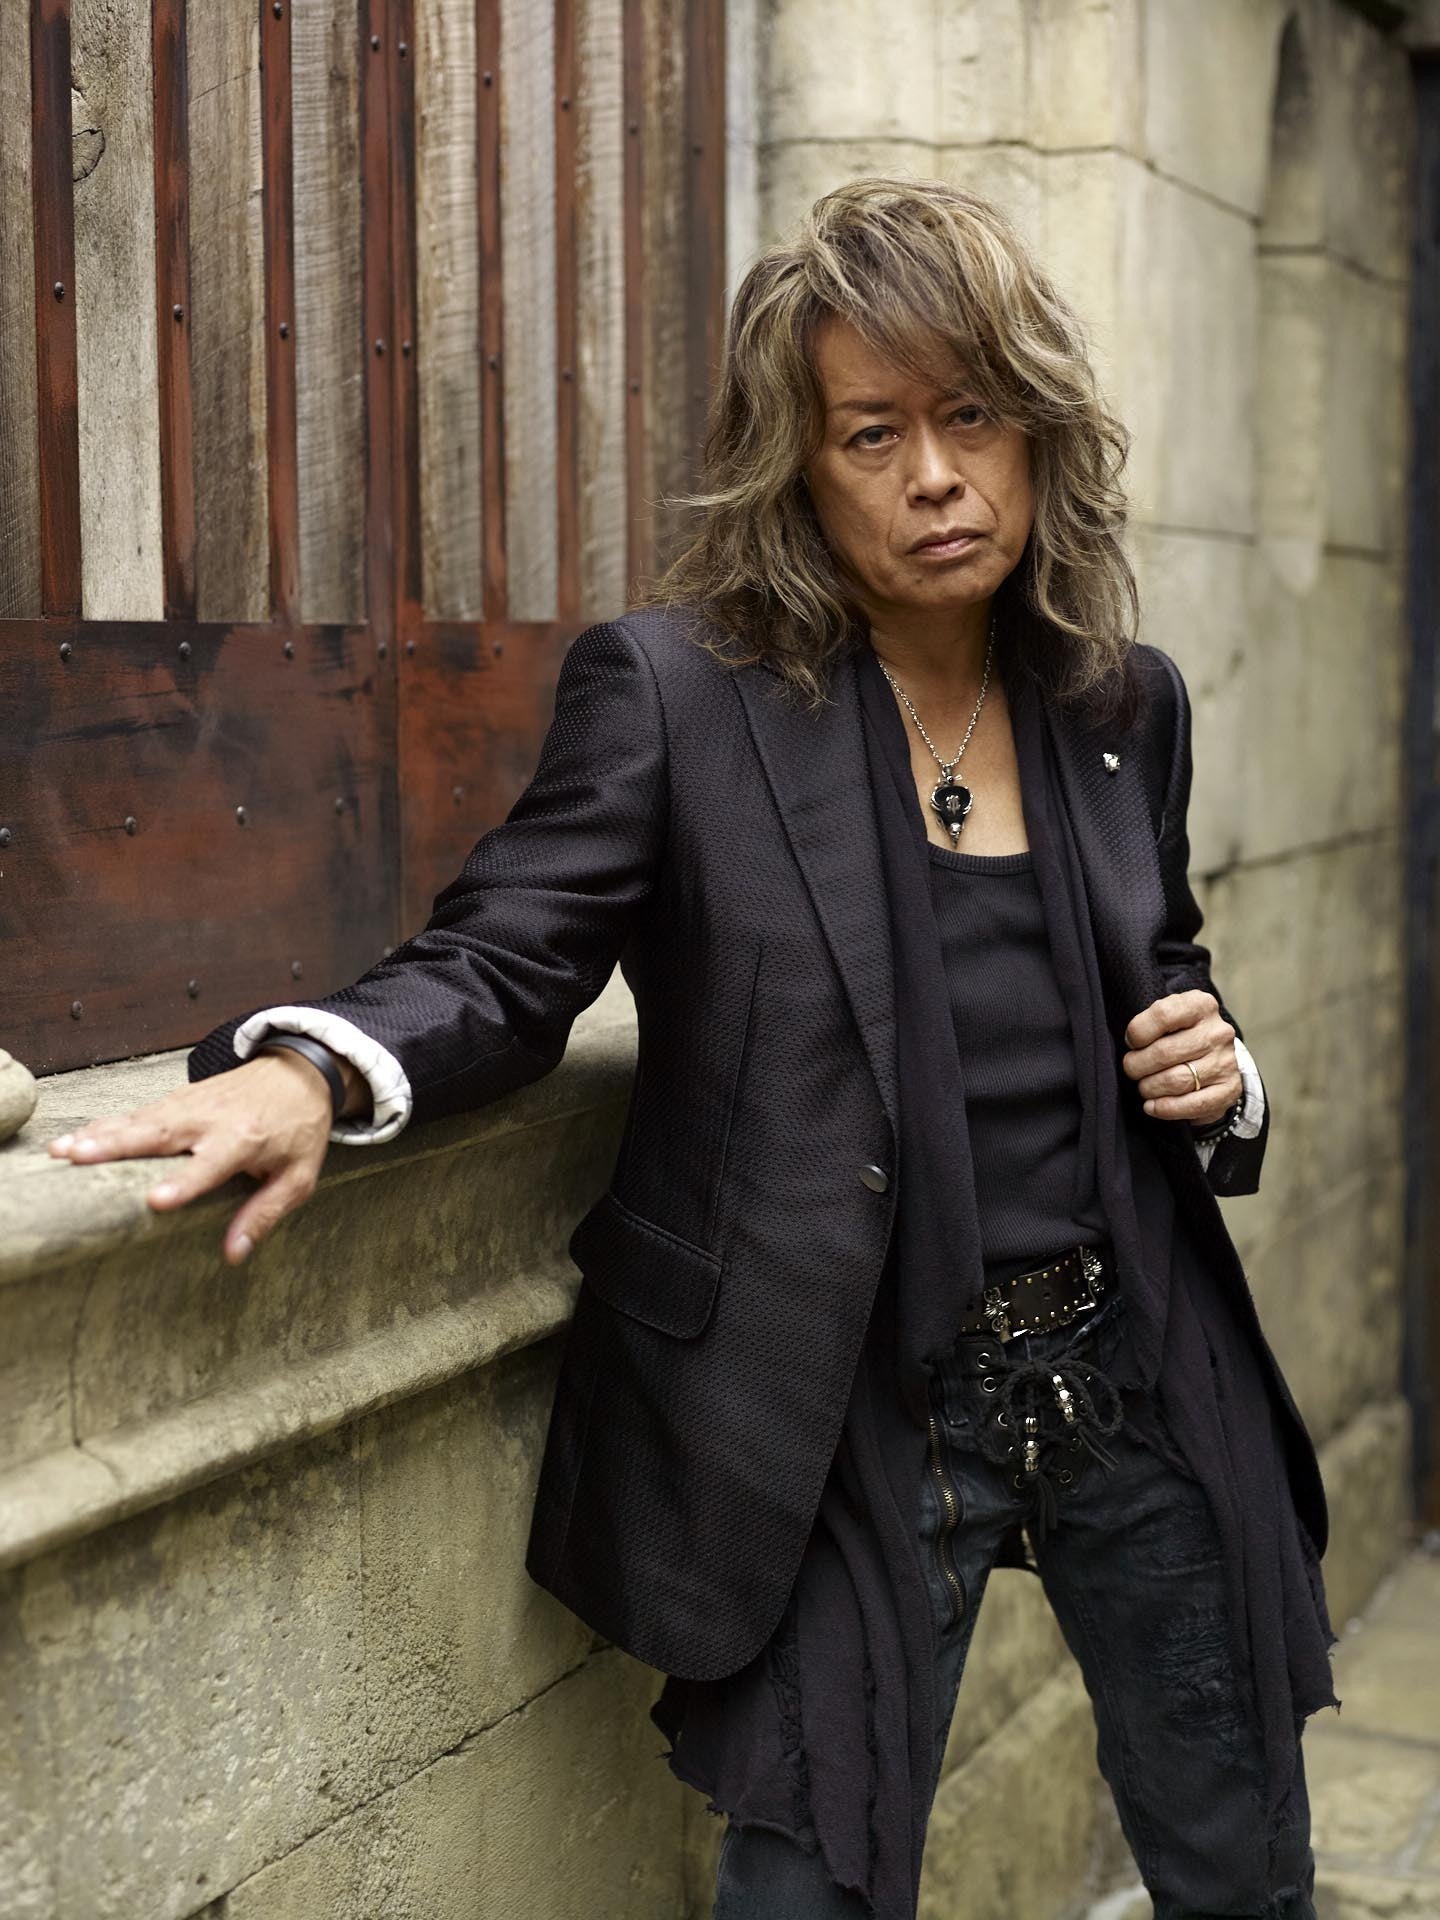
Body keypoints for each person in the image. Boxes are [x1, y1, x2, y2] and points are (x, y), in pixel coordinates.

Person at [46, 177, 1338, 1920]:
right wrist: (311, 1072)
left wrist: (1222, 1072)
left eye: (971, 417)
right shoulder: (680, 695)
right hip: (851, 1397)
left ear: (1039, 430)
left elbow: (1161, 969)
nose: (934, 476)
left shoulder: (1120, 700)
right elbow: (507, 952)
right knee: (808, 1886)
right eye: (870, 434)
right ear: (798, 467)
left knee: (1240, 1851)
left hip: (1128, 1364)